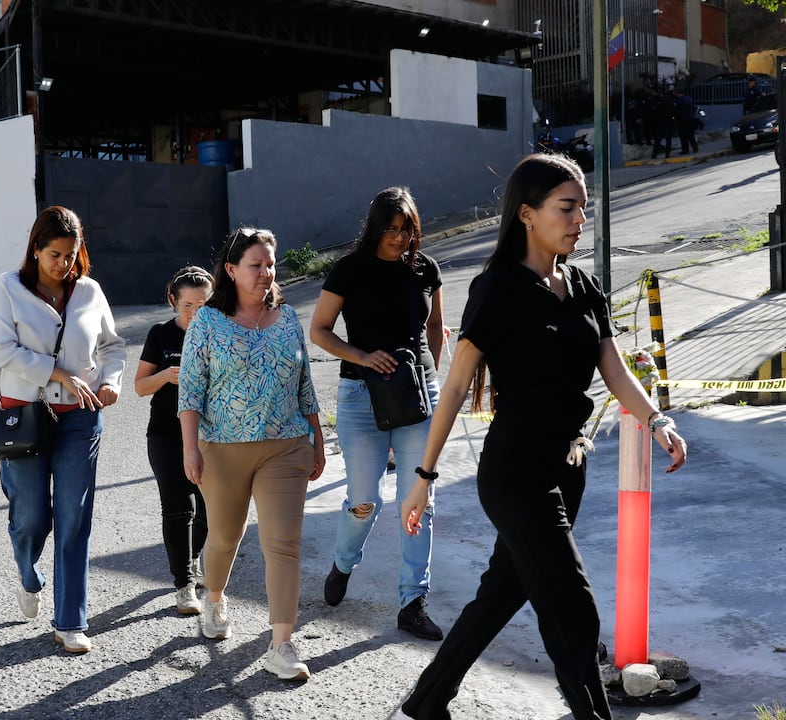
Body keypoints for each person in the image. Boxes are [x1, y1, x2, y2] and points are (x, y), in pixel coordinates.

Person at [394, 153, 689, 720]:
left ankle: (427, 701)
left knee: (502, 593)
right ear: (527, 214)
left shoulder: (584, 286)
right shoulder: (497, 288)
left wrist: (658, 420)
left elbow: (614, 369)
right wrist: (423, 478)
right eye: (566, 207)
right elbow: (454, 388)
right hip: (515, 472)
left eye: (583, 207)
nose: (579, 219)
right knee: (573, 608)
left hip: (567, 467)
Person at [179, 227, 326, 681]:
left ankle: (281, 645)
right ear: (231, 269)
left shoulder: (287, 317)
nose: (266, 272)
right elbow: (190, 391)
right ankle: (215, 598)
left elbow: (304, 384)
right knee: (225, 536)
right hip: (222, 449)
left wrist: (317, 438)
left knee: (283, 543)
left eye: (270, 264)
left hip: (286, 445)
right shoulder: (207, 321)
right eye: (255, 265)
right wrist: (190, 448)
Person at [0, 205, 127, 654]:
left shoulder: (89, 291)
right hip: (26, 417)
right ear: (36, 249)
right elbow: (0, 352)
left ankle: (70, 621)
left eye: (70, 255)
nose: (63, 264)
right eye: (55, 255)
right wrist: (57, 373)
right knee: (31, 516)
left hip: (80, 419)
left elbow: (112, 346)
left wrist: (111, 380)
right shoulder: (10, 287)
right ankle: (28, 572)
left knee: (74, 518)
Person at [310, 187, 446, 640]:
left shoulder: (426, 269)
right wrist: (364, 356)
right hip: (360, 396)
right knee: (364, 500)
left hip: (417, 398)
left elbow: (434, 326)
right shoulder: (350, 270)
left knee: (419, 502)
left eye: (406, 229)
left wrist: (429, 377)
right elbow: (320, 331)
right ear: (375, 228)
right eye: (390, 228)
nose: (399, 237)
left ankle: (413, 601)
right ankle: (344, 562)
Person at [134, 266, 215, 616]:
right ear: (173, 301)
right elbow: (139, 387)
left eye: (203, 304)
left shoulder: (220, 332)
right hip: (166, 434)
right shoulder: (161, 334)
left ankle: (193, 559)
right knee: (179, 507)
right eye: (187, 306)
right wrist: (166, 375)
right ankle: (184, 585)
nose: (195, 312)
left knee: (209, 509)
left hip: (211, 434)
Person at [674, 88, 700, 155]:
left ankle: (685, 150)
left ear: (679, 94)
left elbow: (676, 110)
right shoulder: (690, 99)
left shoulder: (679, 101)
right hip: (690, 119)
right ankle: (695, 147)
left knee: (683, 136)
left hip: (682, 120)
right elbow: (695, 108)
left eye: (677, 94)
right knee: (690, 134)